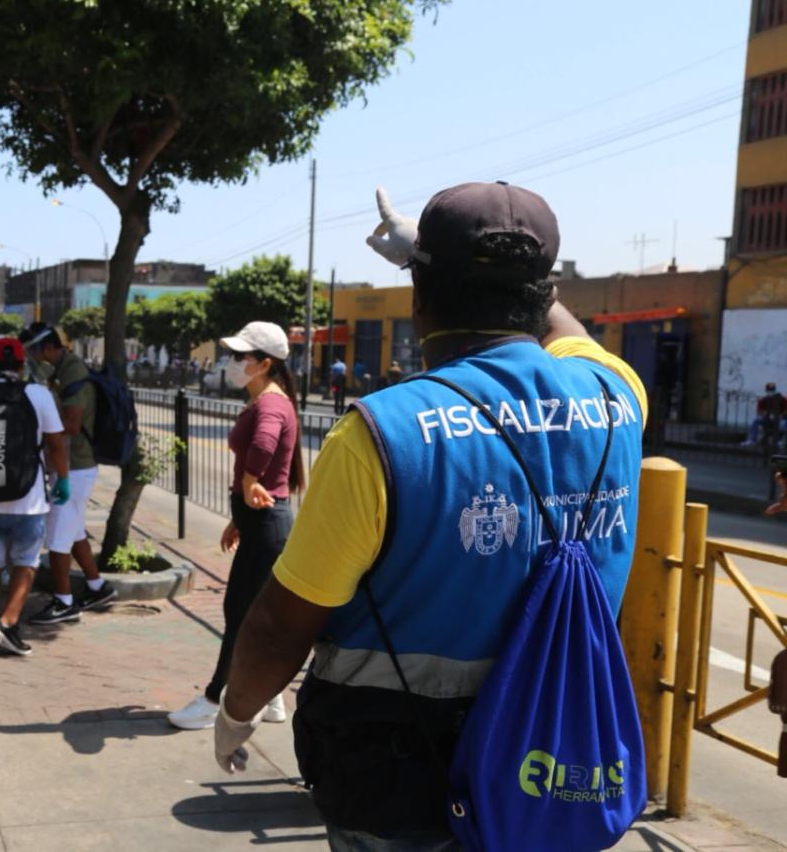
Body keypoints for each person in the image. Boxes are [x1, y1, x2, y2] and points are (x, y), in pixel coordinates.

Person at [213, 183, 648, 849]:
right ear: (544, 294)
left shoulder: (379, 436)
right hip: (555, 775)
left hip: (405, 785)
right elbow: (571, 334)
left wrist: (237, 711)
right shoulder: (618, 397)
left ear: (419, 299)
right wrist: (496, 270)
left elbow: (280, 623)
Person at [168, 321, 303, 731]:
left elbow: (263, 445)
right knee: (254, 615)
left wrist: (248, 481)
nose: (232, 362)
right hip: (261, 522)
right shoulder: (266, 399)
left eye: (241, 356)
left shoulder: (270, 404)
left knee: (240, 615)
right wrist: (239, 517)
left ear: (265, 363)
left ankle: (214, 701)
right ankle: (271, 698)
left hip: (267, 523)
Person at [0, 337, 69, 656]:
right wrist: (63, 479)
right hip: (29, 499)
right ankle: (6, 623)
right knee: (26, 563)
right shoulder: (39, 395)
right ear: (21, 365)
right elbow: (56, 444)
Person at [19, 323, 118, 625]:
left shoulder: (74, 374)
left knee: (58, 540)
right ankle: (97, 586)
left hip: (73, 468)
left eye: (35, 352)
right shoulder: (61, 370)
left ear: (49, 348)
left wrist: (41, 424)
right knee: (74, 533)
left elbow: (72, 425)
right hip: (70, 467)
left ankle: (64, 602)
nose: (33, 358)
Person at [742, 382, 787, 447]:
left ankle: (780, 441)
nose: (770, 392)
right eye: (769, 391)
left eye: (772, 391)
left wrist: (780, 415)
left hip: (780, 418)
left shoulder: (782, 399)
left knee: (783, 424)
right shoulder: (763, 400)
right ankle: (752, 440)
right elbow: (759, 411)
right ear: (766, 391)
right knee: (756, 420)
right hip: (767, 419)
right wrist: (765, 414)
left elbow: (786, 410)